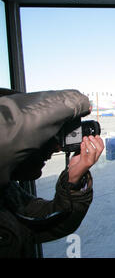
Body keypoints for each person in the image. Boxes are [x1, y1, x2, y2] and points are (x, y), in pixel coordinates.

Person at [0, 89, 104, 257]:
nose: (56, 148)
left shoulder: (7, 193)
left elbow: (50, 222)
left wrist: (74, 181)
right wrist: (76, 103)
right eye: (43, 137)